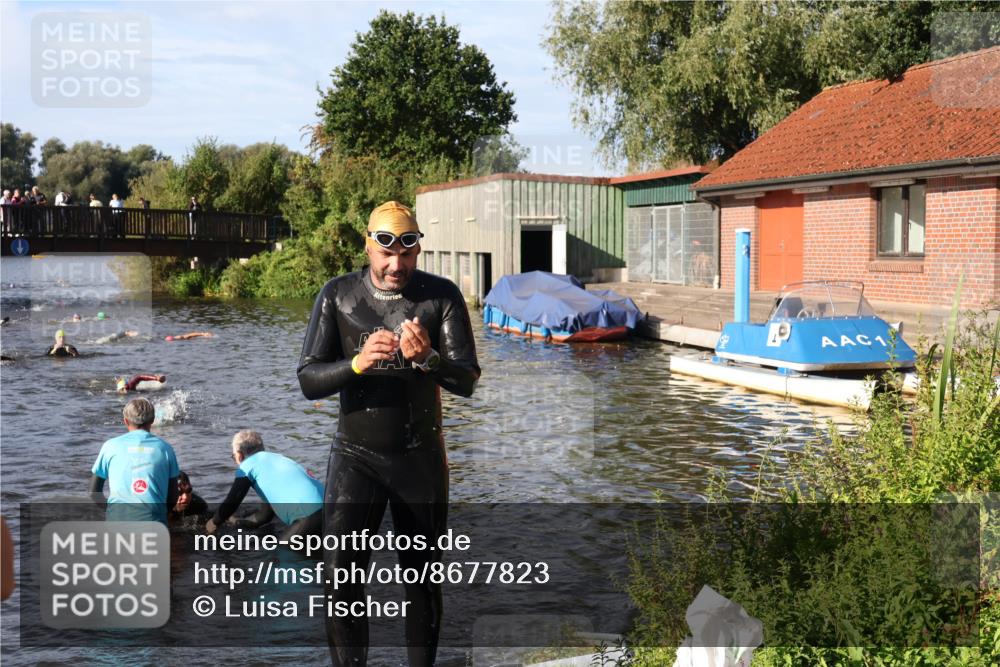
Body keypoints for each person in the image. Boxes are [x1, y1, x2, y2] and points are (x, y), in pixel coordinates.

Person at [297, 200, 480, 667]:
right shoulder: (338, 296)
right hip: (355, 457)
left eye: (407, 254)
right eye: (386, 254)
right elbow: (308, 380)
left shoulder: (440, 297)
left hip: (419, 458)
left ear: (417, 251)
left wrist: (429, 360)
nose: (397, 266)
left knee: (421, 580)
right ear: (368, 248)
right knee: (340, 579)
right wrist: (356, 364)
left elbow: (467, 380)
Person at [204, 430, 323, 541]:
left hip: (308, 516)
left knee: (283, 552)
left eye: (233, 456)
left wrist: (213, 523)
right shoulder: (277, 460)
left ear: (239, 455)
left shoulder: (247, 467)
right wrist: (238, 522)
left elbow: (232, 501)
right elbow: (264, 516)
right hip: (329, 510)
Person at [89, 398, 180, 524]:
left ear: (126, 421)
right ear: (153, 420)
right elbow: (173, 496)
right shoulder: (165, 449)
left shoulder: (110, 446)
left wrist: (112, 511)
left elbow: (94, 492)